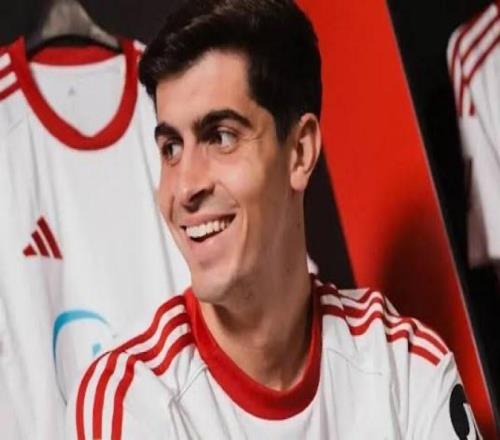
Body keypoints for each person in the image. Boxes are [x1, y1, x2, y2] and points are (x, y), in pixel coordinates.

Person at [66, 0, 481, 438]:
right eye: (171, 147)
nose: (185, 187)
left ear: (299, 152)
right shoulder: (129, 401)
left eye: (220, 137)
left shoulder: (405, 368)